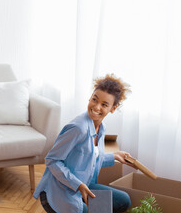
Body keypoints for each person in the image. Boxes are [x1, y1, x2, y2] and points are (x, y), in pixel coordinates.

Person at [33, 74, 135, 213]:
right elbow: (52, 160)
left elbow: (89, 159)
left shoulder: (101, 128)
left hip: (84, 185)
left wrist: (115, 156)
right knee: (84, 210)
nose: (97, 107)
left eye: (104, 104)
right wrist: (78, 185)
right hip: (59, 190)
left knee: (123, 200)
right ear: (90, 97)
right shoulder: (78, 128)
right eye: (94, 99)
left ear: (113, 108)